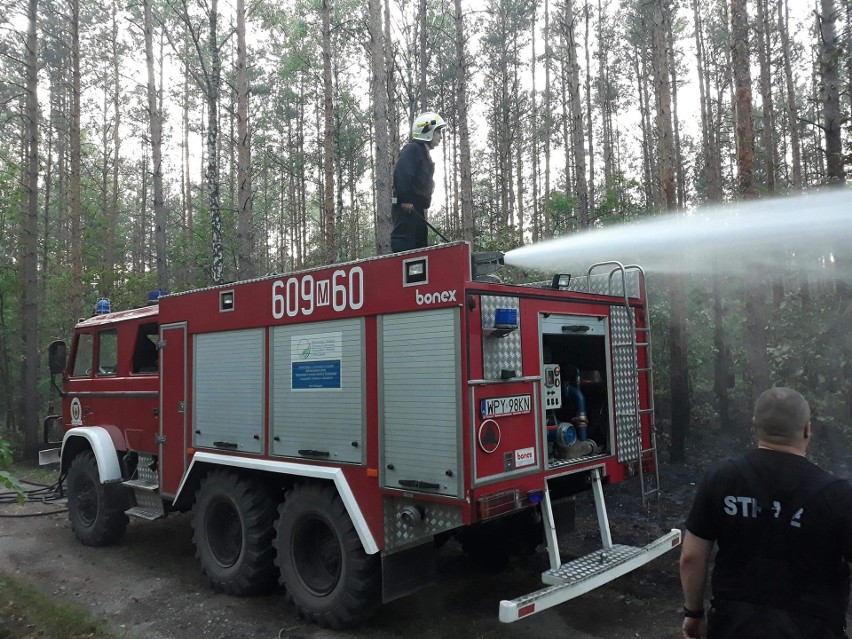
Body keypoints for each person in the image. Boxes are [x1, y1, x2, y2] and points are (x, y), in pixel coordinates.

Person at [679, 387, 852, 639]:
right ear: (807, 430)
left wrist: (693, 614)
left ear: (754, 428)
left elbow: (691, 558)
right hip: (813, 629)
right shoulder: (839, 495)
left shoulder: (721, 479)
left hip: (733, 626)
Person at [391, 112, 446, 253]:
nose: (440, 136)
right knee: (405, 246)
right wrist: (406, 200)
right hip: (407, 210)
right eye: (438, 132)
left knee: (421, 246)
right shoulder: (412, 149)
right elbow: (402, 173)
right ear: (426, 130)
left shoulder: (423, 154)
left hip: (417, 210)